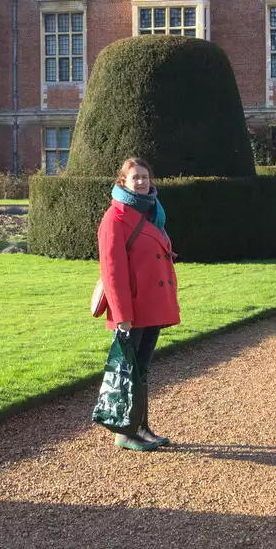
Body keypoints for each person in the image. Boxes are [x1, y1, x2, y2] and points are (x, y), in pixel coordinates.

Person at [98, 156, 181, 451]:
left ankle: (141, 428)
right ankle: (125, 432)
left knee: (141, 369)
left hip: (152, 305)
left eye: (145, 177)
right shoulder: (115, 218)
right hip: (132, 309)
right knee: (128, 371)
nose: (142, 182)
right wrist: (121, 315)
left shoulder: (152, 213)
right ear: (124, 182)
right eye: (136, 178)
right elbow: (112, 271)